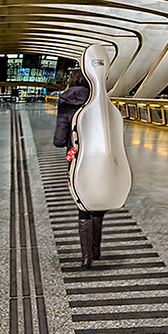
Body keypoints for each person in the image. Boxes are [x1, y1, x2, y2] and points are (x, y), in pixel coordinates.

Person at [53, 68, 105, 268]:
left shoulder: (66, 102)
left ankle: (86, 257)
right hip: (99, 158)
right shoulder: (98, 101)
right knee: (98, 202)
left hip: (76, 158)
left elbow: (59, 140)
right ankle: (96, 250)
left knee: (82, 204)